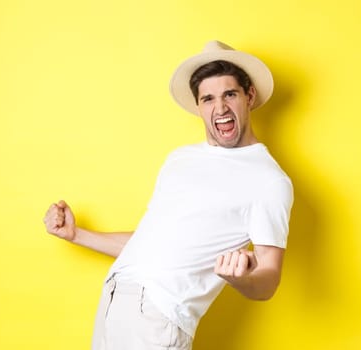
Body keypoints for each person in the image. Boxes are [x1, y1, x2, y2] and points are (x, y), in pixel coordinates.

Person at [42, 41, 293, 350]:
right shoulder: (179, 159)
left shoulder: (267, 179)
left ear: (249, 96)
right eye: (209, 98)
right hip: (114, 304)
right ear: (199, 106)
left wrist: (239, 278)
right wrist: (76, 234)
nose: (221, 108)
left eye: (230, 94)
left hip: (159, 319)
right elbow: (151, 241)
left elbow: (268, 279)